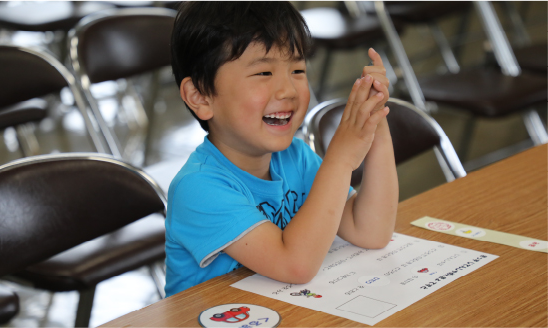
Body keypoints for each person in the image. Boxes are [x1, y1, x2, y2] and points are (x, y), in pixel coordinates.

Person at [165, 1, 398, 297]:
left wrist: (375, 121)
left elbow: (370, 231)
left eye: (298, 69)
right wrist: (340, 160)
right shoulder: (197, 188)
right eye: (264, 73)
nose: (288, 90)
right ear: (200, 96)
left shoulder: (296, 158)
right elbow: (295, 265)